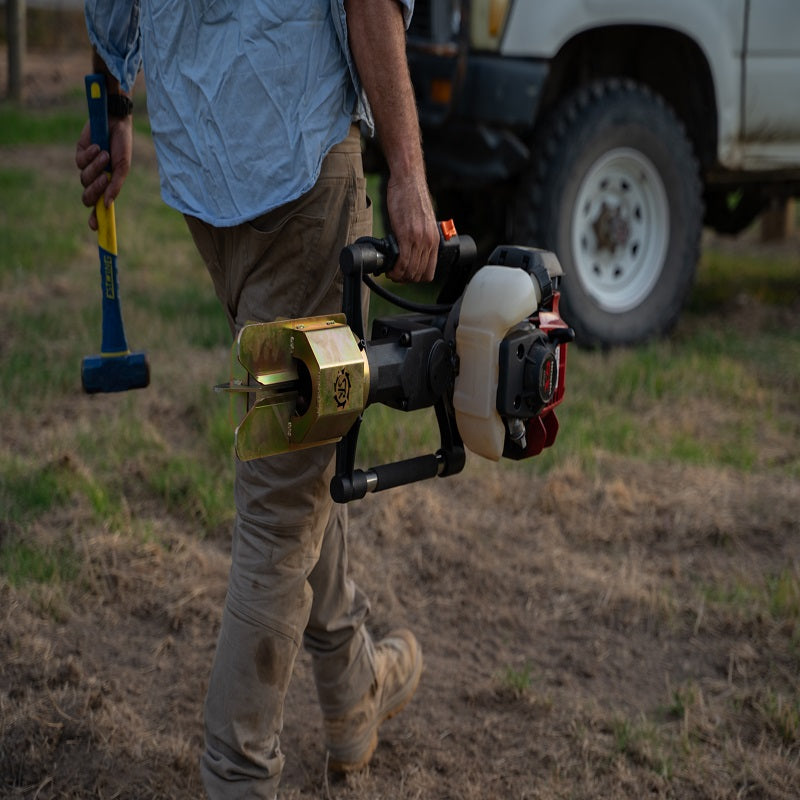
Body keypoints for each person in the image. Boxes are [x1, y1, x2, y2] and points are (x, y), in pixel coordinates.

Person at [76, 2, 440, 798]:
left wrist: (114, 107)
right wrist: (409, 174)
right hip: (298, 169)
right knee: (283, 504)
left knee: (303, 442)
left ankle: (353, 694)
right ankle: (237, 777)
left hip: (206, 169)